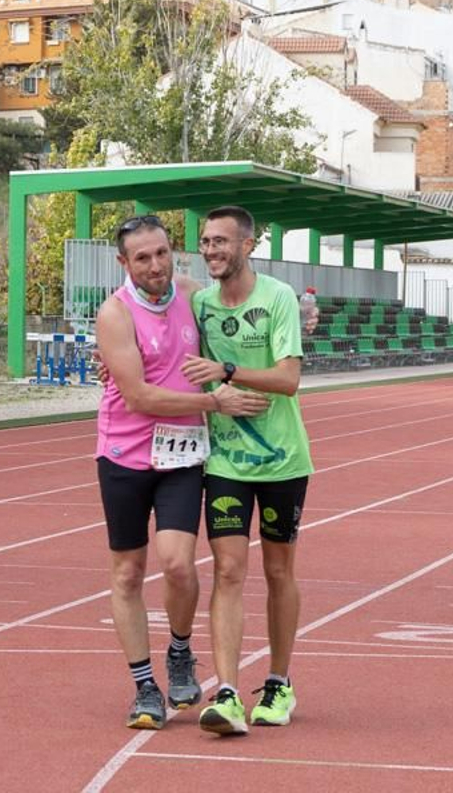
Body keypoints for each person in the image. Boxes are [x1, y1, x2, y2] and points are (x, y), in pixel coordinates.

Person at [94, 214, 258, 731]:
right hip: (123, 454)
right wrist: (211, 400)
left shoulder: (191, 294)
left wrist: (299, 315)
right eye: (142, 258)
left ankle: (181, 652)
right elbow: (139, 397)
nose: (155, 265)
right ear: (125, 264)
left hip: (182, 455)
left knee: (180, 565)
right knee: (126, 572)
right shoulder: (115, 316)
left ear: (173, 253)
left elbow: (245, 310)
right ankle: (144, 686)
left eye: (162, 253)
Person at [179, 205, 314, 737]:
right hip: (225, 460)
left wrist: (228, 371)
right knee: (228, 570)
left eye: (222, 242)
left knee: (279, 571)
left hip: (283, 458)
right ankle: (229, 692)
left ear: (248, 245)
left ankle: (279, 683)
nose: (212, 250)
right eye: (207, 242)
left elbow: (288, 379)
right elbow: (161, 335)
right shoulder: (201, 304)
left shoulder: (277, 298)